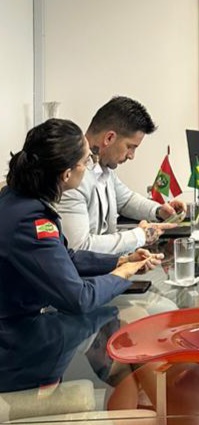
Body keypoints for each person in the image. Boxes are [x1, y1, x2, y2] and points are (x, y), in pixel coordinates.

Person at [0, 118, 157, 319]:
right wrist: (124, 273)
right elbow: (80, 299)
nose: (90, 166)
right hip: (16, 335)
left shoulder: (16, 197)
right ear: (66, 174)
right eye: (85, 161)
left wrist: (121, 260)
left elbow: (65, 256)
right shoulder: (32, 222)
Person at [58, 96, 184, 254]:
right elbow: (78, 247)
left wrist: (159, 211)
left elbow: (126, 200)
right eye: (130, 147)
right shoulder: (72, 178)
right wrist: (139, 236)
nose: (131, 156)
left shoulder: (103, 168)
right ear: (109, 138)